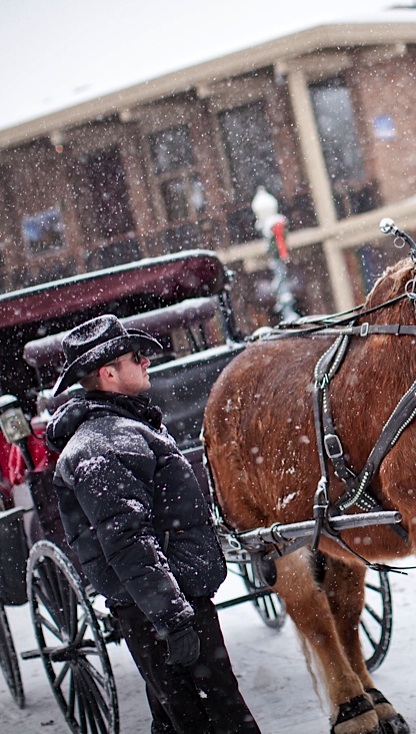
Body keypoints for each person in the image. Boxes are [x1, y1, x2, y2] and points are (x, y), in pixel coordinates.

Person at [47, 314, 262, 734]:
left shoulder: (122, 431)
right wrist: (174, 619)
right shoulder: (103, 445)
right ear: (108, 373)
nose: (146, 362)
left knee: (178, 718)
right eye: (135, 356)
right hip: (164, 610)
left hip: (166, 605)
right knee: (220, 721)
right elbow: (127, 544)